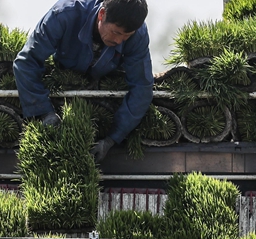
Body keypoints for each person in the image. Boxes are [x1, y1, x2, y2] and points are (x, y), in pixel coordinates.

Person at [13, 0, 153, 162]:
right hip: (65, 71)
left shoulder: (138, 34)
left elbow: (142, 87)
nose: (120, 41)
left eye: (126, 36)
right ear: (102, 14)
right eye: (116, 32)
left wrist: (112, 139)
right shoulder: (64, 15)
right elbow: (26, 62)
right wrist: (44, 112)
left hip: (107, 79)